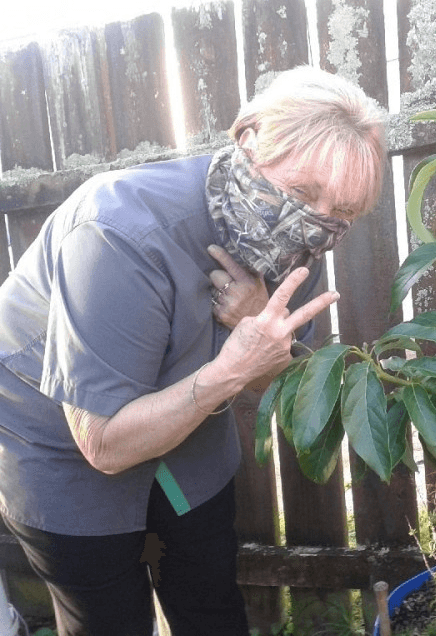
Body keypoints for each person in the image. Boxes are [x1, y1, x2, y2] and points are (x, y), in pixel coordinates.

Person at [0, 66, 386, 636]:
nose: (317, 223)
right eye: (303, 192)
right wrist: (228, 372)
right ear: (249, 139)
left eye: (342, 213)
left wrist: (255, 328)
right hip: (58, 445)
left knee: (210, 602)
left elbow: (275, 377)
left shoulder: (302, 238)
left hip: (190, 439)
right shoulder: (116, 231)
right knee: (107, 621)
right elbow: (103, 445)